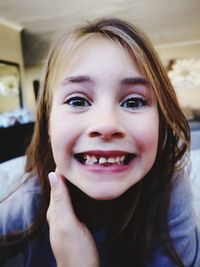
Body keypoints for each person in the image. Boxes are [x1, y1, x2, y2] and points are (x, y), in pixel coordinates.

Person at [0, 18, 199, 267]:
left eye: (134, 102)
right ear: (48, 122)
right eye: (78, 101)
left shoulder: (168, 190)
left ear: (161, 121)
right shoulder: (31, 199)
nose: (106, 125)